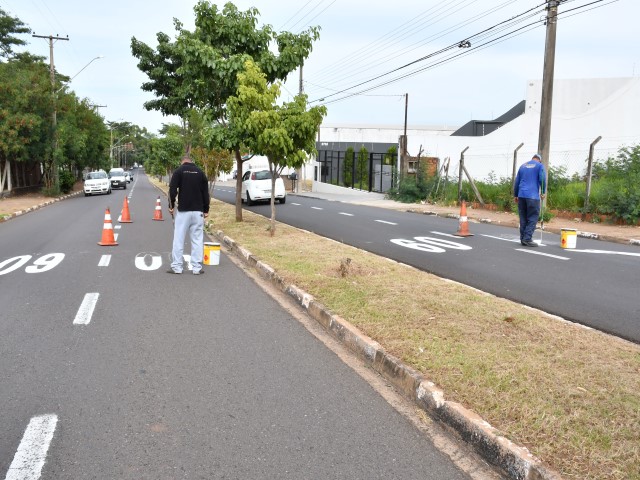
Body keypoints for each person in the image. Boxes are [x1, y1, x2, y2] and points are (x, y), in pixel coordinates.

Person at [167, 155, 210, 274]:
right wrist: (206, 209)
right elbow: (205, 193)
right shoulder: (200, 173)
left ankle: (177, 267)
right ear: (192, 162)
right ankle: (196, 268)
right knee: (197, 239)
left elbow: (172, 190)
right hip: (198, 212)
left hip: (183, 212)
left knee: (178, 239)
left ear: (182, 162)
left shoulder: (179, 171)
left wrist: (170, 206)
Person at [514, 153, 546, 247]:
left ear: (532, 158)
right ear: (539, 160)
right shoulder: (540, 166)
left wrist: (516, 194)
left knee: (523, 217)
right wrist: (543, 192)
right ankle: (527, 238)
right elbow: (542, 179)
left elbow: (517, 182)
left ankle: (523, 238)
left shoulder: (522, 166)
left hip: (521, 195)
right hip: (532, 196)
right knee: (532, 217)